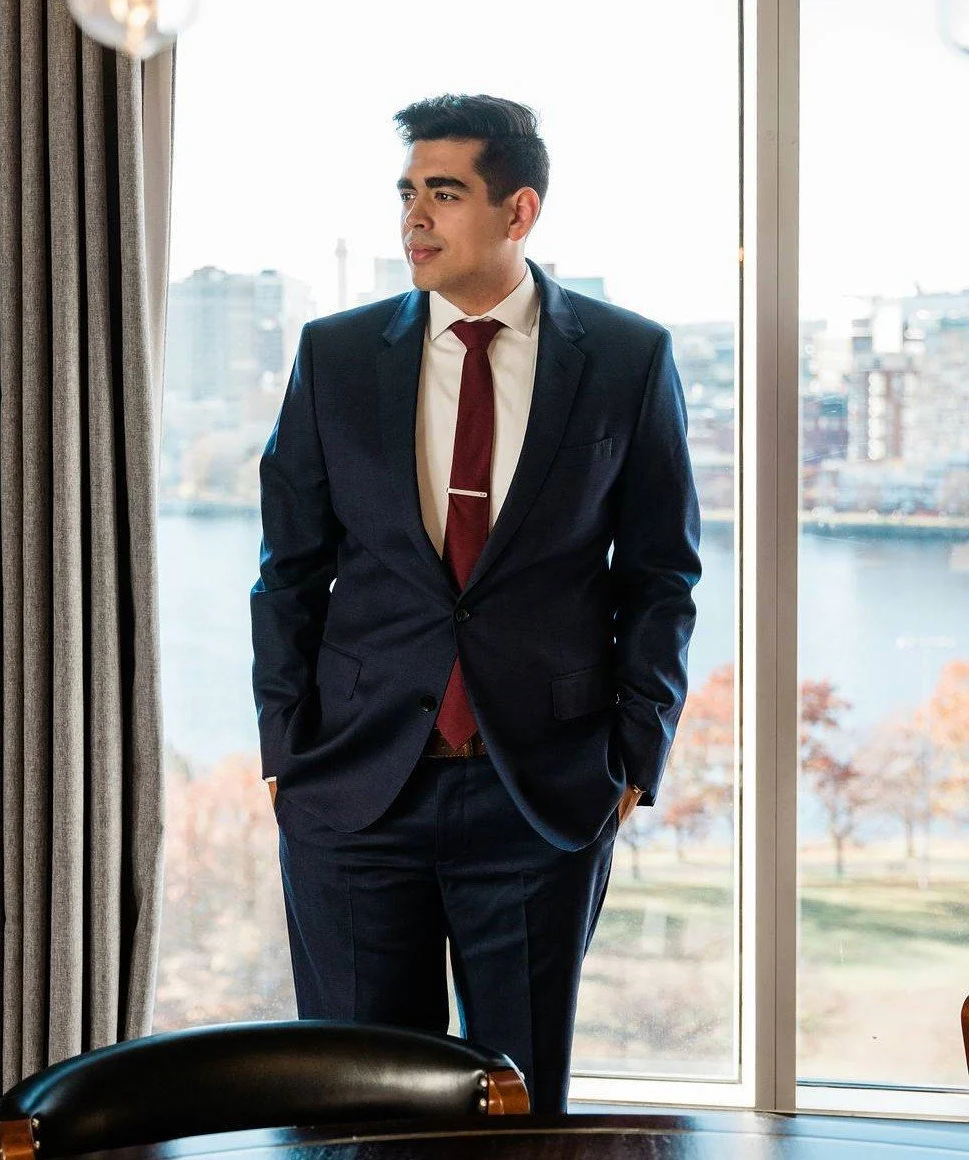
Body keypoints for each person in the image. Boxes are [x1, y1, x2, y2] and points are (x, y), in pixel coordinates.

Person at [250, 93, 700, 1112]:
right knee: (355, 1105)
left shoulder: (627, 358)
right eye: (408, 192)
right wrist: (287, 750)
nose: (414, 217)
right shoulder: (333, 354)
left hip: (537, 792)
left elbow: (661, 573)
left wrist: (633, 754)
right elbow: (287, 570)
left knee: (516, 1098)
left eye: (443, 193)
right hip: (355, 791)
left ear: (519, 209)